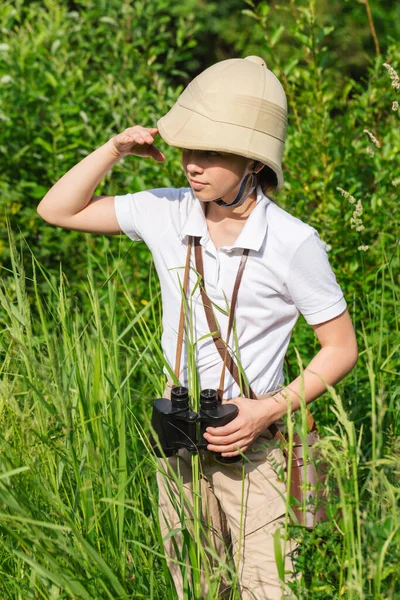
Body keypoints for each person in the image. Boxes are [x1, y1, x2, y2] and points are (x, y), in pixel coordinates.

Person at [37, 55, 358, 599]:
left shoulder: (292, 242)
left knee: (267, 587)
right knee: (195, 585)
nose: (192, 164)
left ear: (254, 162)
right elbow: (58, 210)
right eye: (188, 148)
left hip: (255, 436)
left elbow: (340, 347)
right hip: (181, 429)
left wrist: (266, 410)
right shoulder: (166, 211)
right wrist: (113, 150)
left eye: (211, 152)